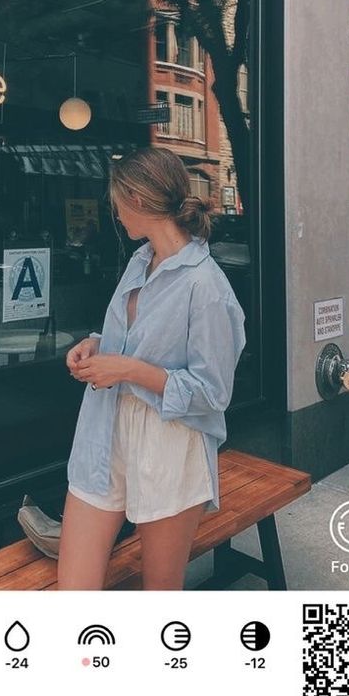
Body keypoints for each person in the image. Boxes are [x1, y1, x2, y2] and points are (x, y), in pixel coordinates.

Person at [59, 147, 246, 590]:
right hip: (103, 437)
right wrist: (96, 344)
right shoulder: (139, 262)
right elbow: (137, 340)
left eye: (116, 204)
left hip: (169, 448)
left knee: (160, 595)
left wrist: (127, 370)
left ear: (138, 202)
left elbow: (212, 393)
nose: (115, 214)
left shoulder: (207, 287)